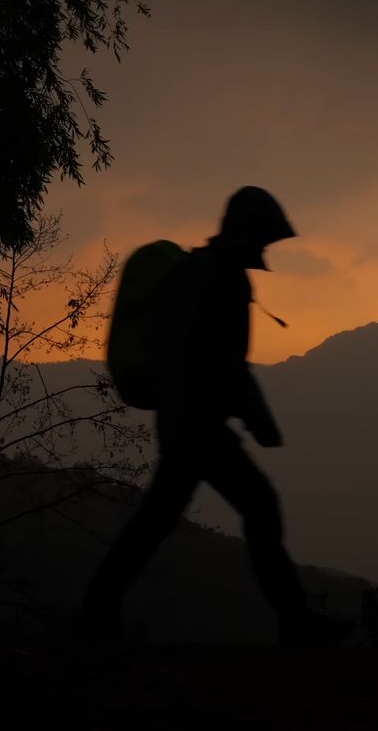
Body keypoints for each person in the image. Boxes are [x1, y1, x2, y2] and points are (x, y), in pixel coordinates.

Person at [83, 186, 344, 645]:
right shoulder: (220, 277)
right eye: (264, 237)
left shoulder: (204, 271)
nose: (266, 248)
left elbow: (216, 360)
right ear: (250, 233)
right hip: (196, 425)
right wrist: (258, 419)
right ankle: (295, 621)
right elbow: (224, 362)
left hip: (187, 420)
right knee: (254, 507)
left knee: (159, 521)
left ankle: (95, 615)